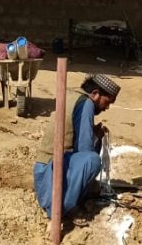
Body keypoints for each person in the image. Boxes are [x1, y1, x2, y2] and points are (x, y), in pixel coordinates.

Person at [32, 73, 120, 219]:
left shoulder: (72, 96)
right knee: (92, 160)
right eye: (107, 102)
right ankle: (61, 210)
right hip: (51, 179)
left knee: (93, 184)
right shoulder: (86, 104)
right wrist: (96, 137)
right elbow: (85, 149)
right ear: (95, 94)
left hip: (43, 174)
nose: (107, 107)